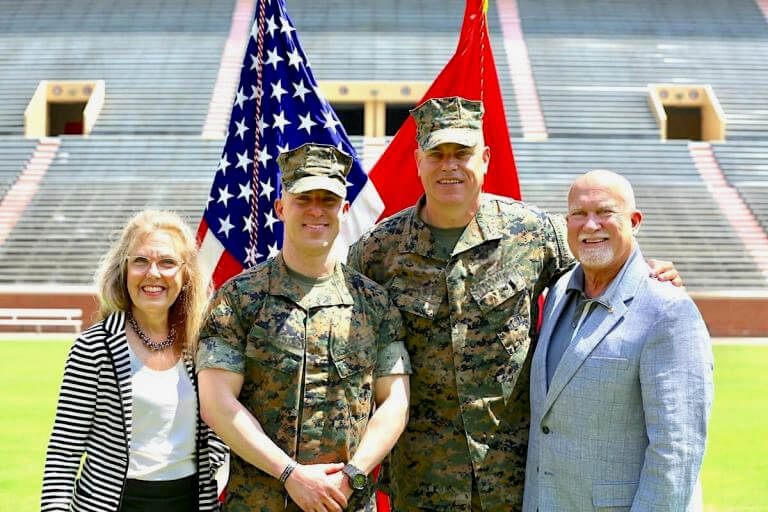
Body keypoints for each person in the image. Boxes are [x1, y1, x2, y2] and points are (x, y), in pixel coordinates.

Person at [347, 96, 682, 512]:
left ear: (485, 159)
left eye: (462, 153)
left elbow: (601, 255)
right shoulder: (377, 251)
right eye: (437, 154)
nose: (450, 166)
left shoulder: (533, 232)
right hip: (421, 483)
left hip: (518, 481)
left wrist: (649, 269)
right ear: (418, 162)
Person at [196, 143, 412, 512]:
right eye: (303, 198)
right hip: (261, 503)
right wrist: (290, 474)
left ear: (344, 210)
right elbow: (217, 403)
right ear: (281, 208)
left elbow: (395, 401)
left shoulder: (374, 303)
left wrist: (352, 476)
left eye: (328, 200)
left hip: (345, 502)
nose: (316, 210)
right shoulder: (239, 298)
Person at [522, 170, 714, 511]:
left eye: (605, 212)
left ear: (634, 221)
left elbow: (677, 450)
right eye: (579, 214)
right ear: (567, 223)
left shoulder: (668, 310)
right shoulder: (559, 293)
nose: (590, 225)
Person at [41, 210, 226, 512]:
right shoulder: (94, 347)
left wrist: (210, 462)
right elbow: (64, 450)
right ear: (124, 270)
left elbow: (225, 422)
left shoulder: (201, 345)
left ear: (186, 274)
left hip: (191, 501)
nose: (153, 273)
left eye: (167, 262)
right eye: (140, 261)